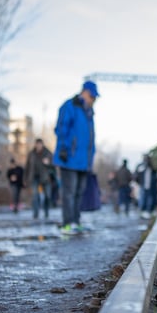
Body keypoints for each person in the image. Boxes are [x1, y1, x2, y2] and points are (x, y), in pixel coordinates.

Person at [53, 80, 98, 234]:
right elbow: (61, 128)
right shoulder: (70, 106)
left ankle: (75, 221)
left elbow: (91, 138)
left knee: (79, 192)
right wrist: (64, 148)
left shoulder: (89, 113)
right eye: (92, 97)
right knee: (69, 192)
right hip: (69, 157)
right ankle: (67, 223)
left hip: (83, 161)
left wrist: (91, 158)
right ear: (84, 92)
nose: (94, 100)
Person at [25, 138, 54, 220]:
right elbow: (27, 166)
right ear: (35, 144)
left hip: (45, 177)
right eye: (37, 144)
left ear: (42, 144)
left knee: (48, 195)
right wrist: (25, 179)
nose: (38, 146)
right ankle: (35, 214)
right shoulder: (31, 154)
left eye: (40, 144)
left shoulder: (48, 153)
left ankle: (46, 211)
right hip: (34, 177)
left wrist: (49, 163)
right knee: (35, 196)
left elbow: (54, 164)